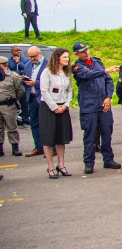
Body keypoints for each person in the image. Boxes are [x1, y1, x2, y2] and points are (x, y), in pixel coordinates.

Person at [72, 41, 120, 174]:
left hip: (103, 103)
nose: (86, 52)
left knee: (107, 132)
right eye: (83, 51)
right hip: (89, 105)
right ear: (77, 54)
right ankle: (88, 162)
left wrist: (109, 97)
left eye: (87, 50)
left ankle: (108, 159)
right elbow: (87, 75)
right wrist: (105, 70)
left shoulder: (97, 62)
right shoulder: (77, 66)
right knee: (90, 135)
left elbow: (108, 80)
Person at [39, 48, 74, 179]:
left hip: (63, 106)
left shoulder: (66, 72)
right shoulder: (47, 72)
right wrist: (54, 107)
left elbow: (70, 90)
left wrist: (66, 105)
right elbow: (44, 91)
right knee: (49, 139)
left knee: (61, 137)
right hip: (49, 108)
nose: (67, 59)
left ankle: (61, 165)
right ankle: (50, 167)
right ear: (57, 58)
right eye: (65, 57)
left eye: (68, 57)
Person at [22, 46, 48, 156]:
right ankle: (39, 147)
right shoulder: (28, 64)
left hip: (43, 98)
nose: (32, 59)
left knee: (46, 124)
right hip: (31, 97)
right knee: (34, 123)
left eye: (34, 56)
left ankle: (51, 147)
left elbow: (50, 82)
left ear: (40, 53)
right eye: (30, 56)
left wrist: (35, 83)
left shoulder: (48, 64)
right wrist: (24, 80)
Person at [0, 56, 24, 157]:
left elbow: (20, 90)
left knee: (12, 127)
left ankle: (15, 147)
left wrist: (14, 99)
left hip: (8, 105)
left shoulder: (13, 76)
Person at [9, 45, 32, 128]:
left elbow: (26, 70)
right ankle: (11, 122)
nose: (18, 52)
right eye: (16, 50)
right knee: (11, 103)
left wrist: (19, 63)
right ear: (11, 52)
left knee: (24, 103)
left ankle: (25, 121)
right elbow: (8, 71)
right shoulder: (8, 61)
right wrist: (18, 72)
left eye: (19, 50)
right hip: (11, 86)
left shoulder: (25, 60)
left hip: (23, 85)